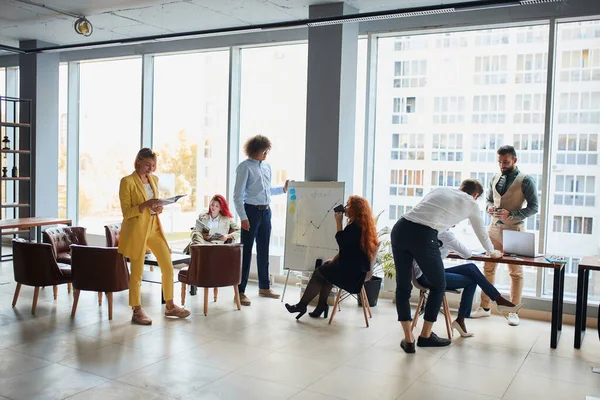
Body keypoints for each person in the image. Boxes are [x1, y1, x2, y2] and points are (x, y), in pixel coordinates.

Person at [391, 179, 502, 354]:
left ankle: (409, 339)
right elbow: (481, 232)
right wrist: (492, 251)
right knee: (439, 285)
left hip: (400, 228)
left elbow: (424, 211)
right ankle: (425, 336)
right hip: (424, 235)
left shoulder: (441, 189)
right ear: (475, 195)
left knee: (403, 286)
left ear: (460, 188)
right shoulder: (471, 203)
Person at [118, 148, 190, 325]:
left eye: (153, 165)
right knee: (137, 273)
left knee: (167, 265)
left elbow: (154, 205)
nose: (151, 169)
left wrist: (158, 207)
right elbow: (126, 213)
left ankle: (170, 306)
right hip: (137, 231)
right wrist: (144, 205)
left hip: (154, 228)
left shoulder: (154, 180)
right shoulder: (127, 182)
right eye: (148, 165)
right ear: (138, 161)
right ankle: (136, 310)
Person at [473, 145, 539, 326]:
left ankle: (513, 310)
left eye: (506, 162)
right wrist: (489, 208)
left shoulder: (526, 180)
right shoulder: (494, 178)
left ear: (515, 160)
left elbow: (534, 207)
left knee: (515, 272)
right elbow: (488, 200)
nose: (502, 165)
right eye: (500, 162)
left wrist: (512, 215)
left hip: (514, 230)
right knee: (488, 268)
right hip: (493, 229)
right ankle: (484, 307)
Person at [413, 229, 523, 337]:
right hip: (428, 276)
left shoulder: (430, 231)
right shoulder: (446, 235)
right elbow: (467, 254)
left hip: (424, 273)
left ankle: (498, 300)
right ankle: (464, 318)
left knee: (471, 268)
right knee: (472, 280)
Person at [284, 196, 378, 320]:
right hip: (358, 270)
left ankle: (302, 305)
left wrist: (338, 222)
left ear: (355, 209)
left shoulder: (355, 227)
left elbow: (342, 243)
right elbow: (349, 250)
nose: (345, 208)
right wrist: (334, 260)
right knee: (326, 270)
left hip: (353, 276)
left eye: (348, 205)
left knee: (319, 272)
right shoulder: (362, 226)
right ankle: (321, 306)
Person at [233, 135, 289, 306]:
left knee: (264, 249)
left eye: (267, 151)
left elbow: (267, 190)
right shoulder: (244, 167)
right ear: (255, 150)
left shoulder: (266, 167)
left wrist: (283, 189)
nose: (266, 153)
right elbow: (237, 196)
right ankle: (240, 291)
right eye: (264, 150)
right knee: (247, 252)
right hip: (251, 212)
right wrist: (243, 217)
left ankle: (264, 287)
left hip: (266, 212)